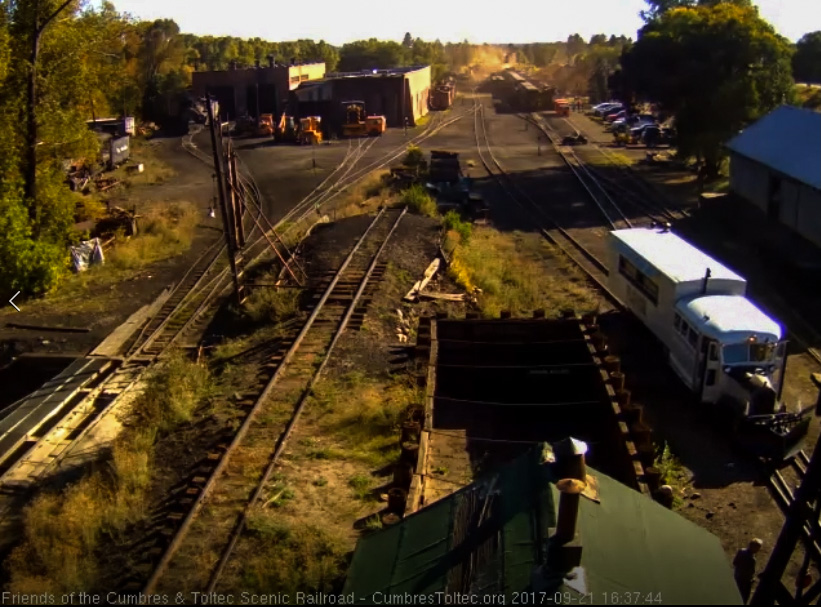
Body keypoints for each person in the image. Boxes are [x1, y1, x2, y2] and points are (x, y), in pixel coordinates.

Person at [733, 538, 763, 603]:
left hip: (736, 578)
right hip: (745, 583)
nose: (758, 550)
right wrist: (752, 579)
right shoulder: (752, 559)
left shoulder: (741, 551)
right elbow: (751, 573)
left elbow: (734, 563)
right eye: (758, 547)